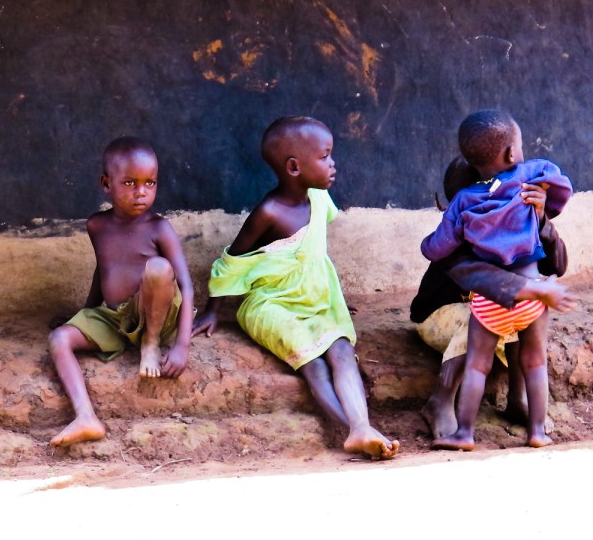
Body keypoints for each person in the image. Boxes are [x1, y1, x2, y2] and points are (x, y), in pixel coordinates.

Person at [193, 116, 399, 460]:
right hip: (270, 304)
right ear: (293, 167)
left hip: (315, 301)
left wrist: (332, 296)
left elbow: (311, 254)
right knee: (313, 361)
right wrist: (213, 310)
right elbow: (232, 261)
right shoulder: (269, 212)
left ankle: (362, 425)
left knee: (341, 349)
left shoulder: (319, 198)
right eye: (325, 156)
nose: (333, 163)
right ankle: (351, 430)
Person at [421, 110, 573, 450]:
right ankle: (442, 401)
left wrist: (541, 216)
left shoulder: (503, 209)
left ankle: (500, 411)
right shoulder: (473, 225)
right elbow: (478, 275)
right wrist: (533, 288)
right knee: (508, 327)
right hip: (443, 314)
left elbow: (559, 265)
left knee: (492, 338)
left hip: (497, 307)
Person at [48, 137, 195, 447]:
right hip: (117, 320)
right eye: (130, 183)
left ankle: (150, 343)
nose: (141, 192)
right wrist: (84, 314)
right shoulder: (97, 226)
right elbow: (102, 270)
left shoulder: (159, 228)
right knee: (59, 339)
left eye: (150, 183)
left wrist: (182, 345)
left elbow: (185, 284)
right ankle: (85, 417)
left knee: (159, 268)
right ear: (106, 184)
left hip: (158, 317)